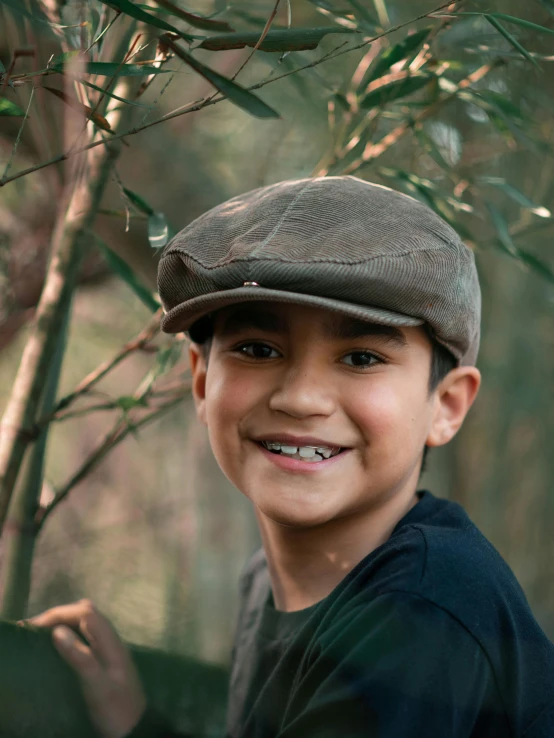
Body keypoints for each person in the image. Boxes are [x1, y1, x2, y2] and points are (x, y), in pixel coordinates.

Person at [28, 176, 554, 737]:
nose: (301, 397)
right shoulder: (268, 580)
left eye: (360, 357)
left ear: (445, 406)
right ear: (202, 383)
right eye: (258, 350)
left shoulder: (423, 609)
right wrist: (137, 726)